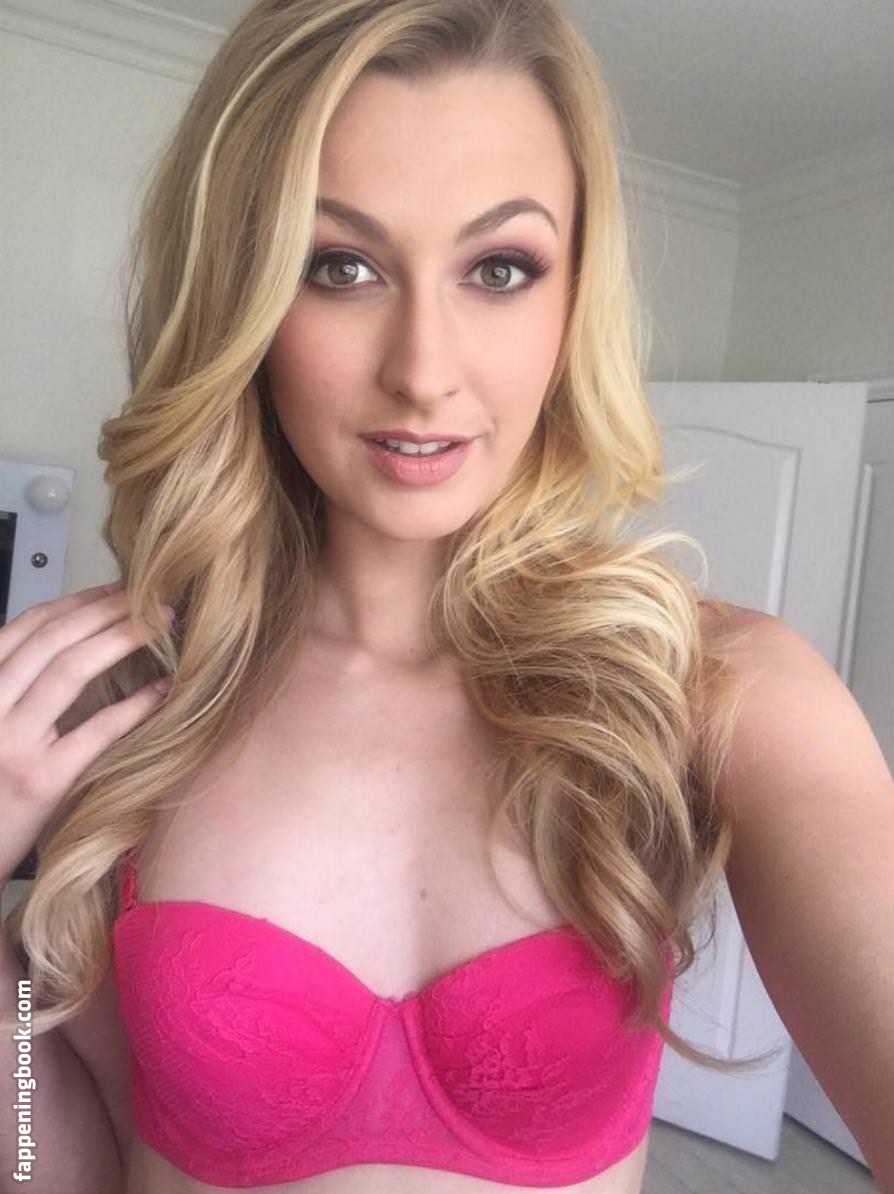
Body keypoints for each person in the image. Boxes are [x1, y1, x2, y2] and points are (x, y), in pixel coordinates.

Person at [2, 0, 893, 1191]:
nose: (424, 370)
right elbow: (60, 1160)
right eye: (342, 267)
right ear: (241, 299)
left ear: (572, 300)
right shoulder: (121, 701)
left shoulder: (717, 693)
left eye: (500, 269)